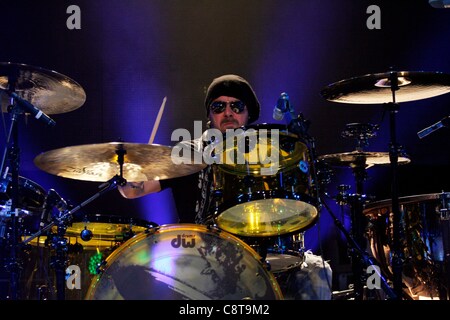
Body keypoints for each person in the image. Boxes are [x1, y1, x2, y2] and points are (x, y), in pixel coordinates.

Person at [118, 74, 332, 300]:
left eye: (236, 106)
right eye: (219, 106)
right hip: (203, 256)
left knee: (318, 272)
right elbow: (134, 190)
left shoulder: (265, 153)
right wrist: (129, 176)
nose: (228, 112)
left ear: (248, 113)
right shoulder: (188, 154)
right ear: (210, 115)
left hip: (260, 251)